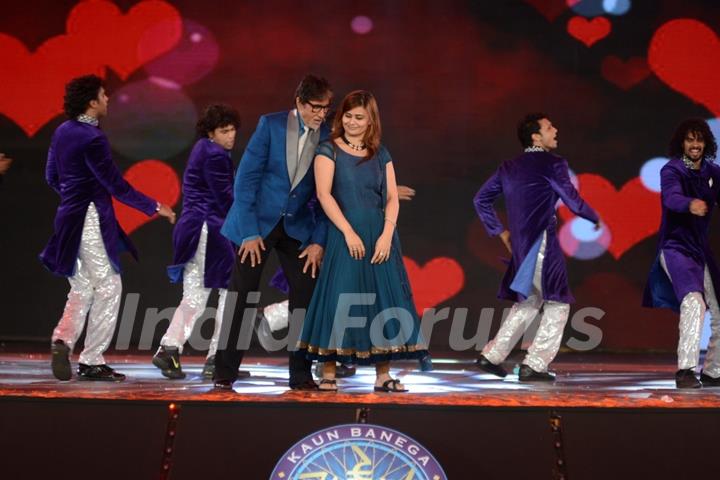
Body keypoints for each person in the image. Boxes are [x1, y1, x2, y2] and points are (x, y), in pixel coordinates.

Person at [40, 74, 175, 381]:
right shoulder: (93, 138)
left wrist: (73, 197)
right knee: (110, 286)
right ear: (92, 101)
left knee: (83, 286)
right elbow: (115, 185)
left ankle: (63, 339)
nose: (108, 99)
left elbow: (51, 176)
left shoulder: (62, 131)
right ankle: (91, 360)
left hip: (68, 215)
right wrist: (155, 206)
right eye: (103, 95)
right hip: (89, 217)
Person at [298, 90, 428, 393]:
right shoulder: (328, 150)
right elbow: (323, 195)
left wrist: (386, 234)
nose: (352, 121)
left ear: (371, 121)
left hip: (380, 234)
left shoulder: (381, 153)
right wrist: (347, 231)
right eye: (347, 115)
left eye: (359, 117)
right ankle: (328, 370)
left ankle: (383, 375)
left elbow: (392, 197)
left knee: (382, 300)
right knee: (340, 298)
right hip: (345, 232)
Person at [215, 75, 332, 391]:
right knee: (243, 295)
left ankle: (301, 374)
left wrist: (319, 241)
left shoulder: (329, 136)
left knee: (306, 294)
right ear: (299, 102)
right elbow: (246, 180)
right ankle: (224, 371)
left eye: (325, 108)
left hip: (297, 226)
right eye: (315, 108)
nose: (321, 114)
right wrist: (250, 232)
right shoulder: (271, 125)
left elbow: (327, 195)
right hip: (258, 223)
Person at [473, 113, 599, 382]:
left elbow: (480, 199)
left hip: (520, 243)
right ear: (535, 136)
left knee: (530, 302)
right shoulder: (552, 164)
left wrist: (501, 232)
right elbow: (571, 199)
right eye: (549, 127)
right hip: (542, 241)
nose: (556, 130)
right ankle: (535, 364)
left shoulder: (509, 166)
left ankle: (492, 356)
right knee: (558, 303)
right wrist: (593, 217)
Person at [152, 104, 240, 379]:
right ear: (211, 133)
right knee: (227, 294)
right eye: (224, 131)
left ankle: (169, 349)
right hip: (210, 230)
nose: (231, 136)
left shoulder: (203, 148)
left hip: (193, 229)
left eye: (233, 129)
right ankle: (216, 359)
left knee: (195, 297)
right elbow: (226, 198)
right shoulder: (216, 155)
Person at [643, 118, 720, 389]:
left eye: (699, 140)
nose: (695, 145)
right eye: (690, 140)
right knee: (693, 302)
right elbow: (671, 198)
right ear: (682, 143)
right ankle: (686, 371)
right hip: (675, 247)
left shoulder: (712, 171)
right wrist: (690, 204)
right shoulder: (672, 169)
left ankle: (713, 370)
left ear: (706, 143)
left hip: (700, 250)